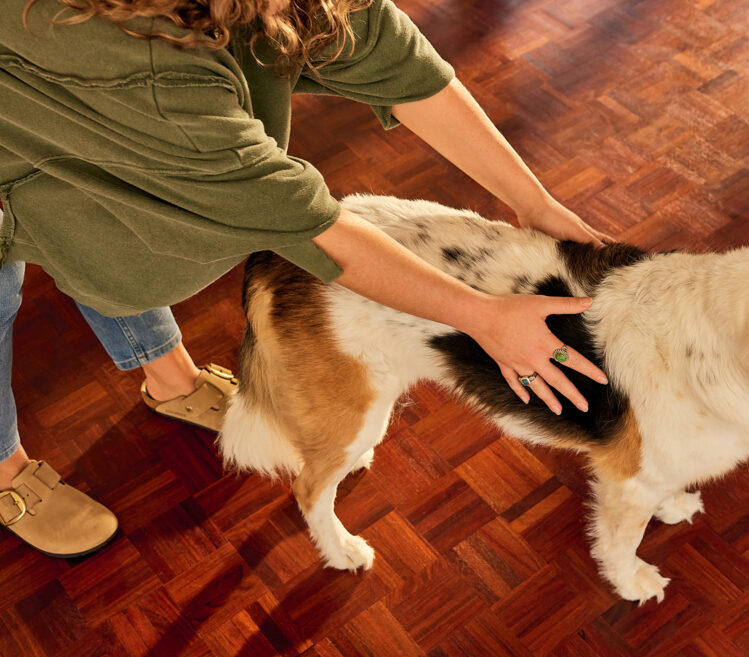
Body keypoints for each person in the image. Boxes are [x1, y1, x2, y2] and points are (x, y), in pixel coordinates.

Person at [0, 0, 611, 556]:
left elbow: (397, 62)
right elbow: (307, 225)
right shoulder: (143, 70)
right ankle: (5, 472)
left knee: (111, 225)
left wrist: (537, 207)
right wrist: (481, 317)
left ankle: (169, 377)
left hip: (118, 140)